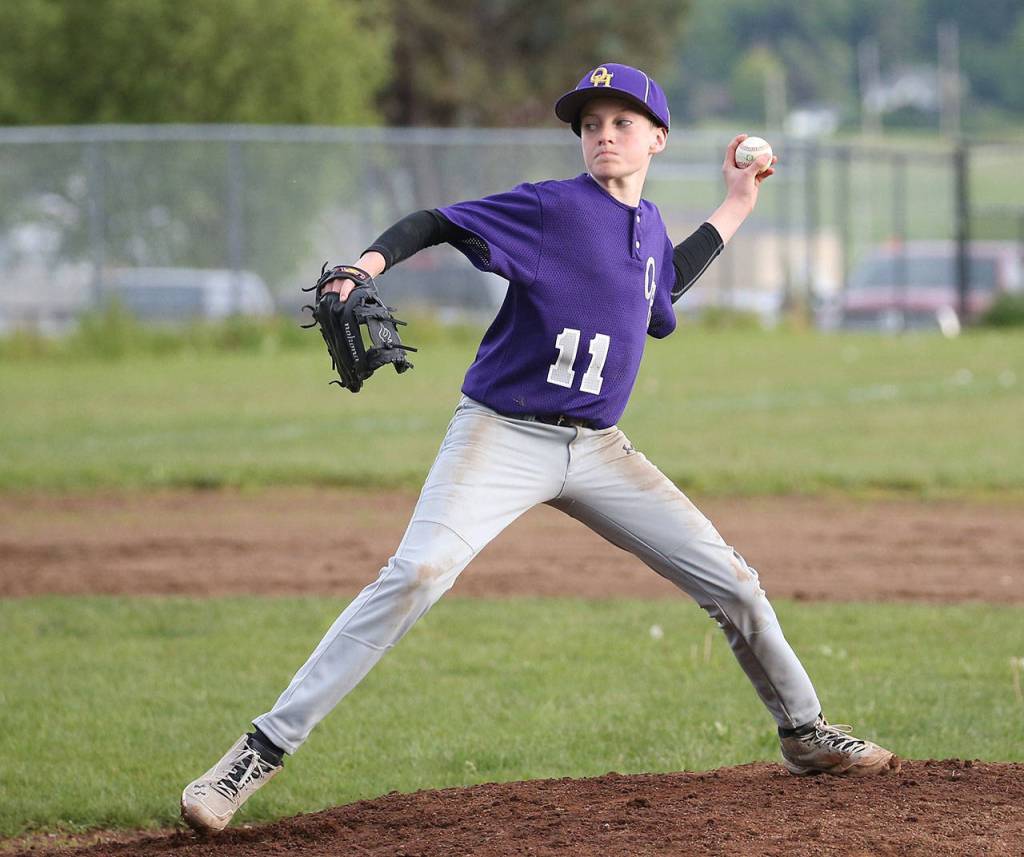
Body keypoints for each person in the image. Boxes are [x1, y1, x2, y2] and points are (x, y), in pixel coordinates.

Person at [181, 62, 898, 833]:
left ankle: (804, 732)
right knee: (417, 571)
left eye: (621, 122)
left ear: (657, 138)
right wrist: (367, 264)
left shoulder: (649, 225)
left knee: (735, 584)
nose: (603, 135)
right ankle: (257, 751)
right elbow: (438, 220)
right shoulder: (551, 208)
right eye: (591, 124)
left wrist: (736, 202)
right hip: (502, 432)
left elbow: (664, 289)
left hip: (600, 451)